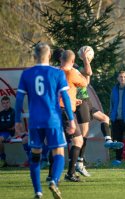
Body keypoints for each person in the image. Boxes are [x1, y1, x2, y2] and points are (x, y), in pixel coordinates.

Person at [15, 42, 76, 199]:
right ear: (49, 56)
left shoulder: (27, 74)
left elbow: (19, 99)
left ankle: (38, 191)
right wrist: (71, 119)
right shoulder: (57, 73)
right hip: (53, 120)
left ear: (34, 56)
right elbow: (66, 98)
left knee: (35, 155)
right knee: (59, 152)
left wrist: (17, 121)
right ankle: (54, 181)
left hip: (35, 121)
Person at [74, 47, 123, 177]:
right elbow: (89, 73)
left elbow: (87, 79)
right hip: (81, 103)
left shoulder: (78, 69)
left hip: (86, 101)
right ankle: (78, 163)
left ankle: (108, 140)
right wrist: (86, 59)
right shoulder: (73, 69)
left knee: (104, 118)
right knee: (83, 135)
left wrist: (86, 60)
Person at [47, 50, 88, 182]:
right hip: (65, 110)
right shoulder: (71, 72)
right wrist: (82, 65)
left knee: (56, 143)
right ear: (72, 61)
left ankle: (50, 175)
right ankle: (70, 173)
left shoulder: (54, 72)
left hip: (54, 110)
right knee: (78, 141)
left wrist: (72, 99)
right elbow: (85, 83)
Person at [0, 96, 15, 167]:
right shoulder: (1, 113)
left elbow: (13, 126)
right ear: (1, 104)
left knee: (0, 139)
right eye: (3, 103)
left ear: (10, 103)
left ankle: (3, 159)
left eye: (7, 103)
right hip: (2, 132)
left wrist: (7, 127)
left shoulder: (13, 112)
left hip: (9, 133)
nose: (5, 104)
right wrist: (6, 126)